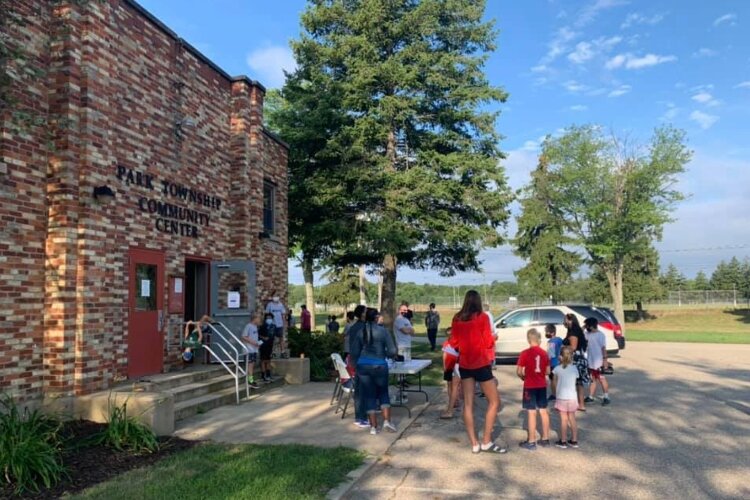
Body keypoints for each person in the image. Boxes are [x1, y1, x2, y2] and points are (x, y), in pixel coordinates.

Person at [448, 290, 506, 454]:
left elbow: (454, 342)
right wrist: (494, 338)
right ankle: (486, 440)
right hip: (481, 362)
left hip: (465, 364)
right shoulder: (482, 317)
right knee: (494, 402)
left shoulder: (457, 318)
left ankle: (474, 443)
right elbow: (488, 341)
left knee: (468, 404)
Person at [349, 307, 399, 435]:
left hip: (363, 367)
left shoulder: (361, 331)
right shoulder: (383, 332)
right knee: (383, 393)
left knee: (369, 395)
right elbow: (393, 351)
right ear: (376, 318)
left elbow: (354, 351)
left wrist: (355, 364)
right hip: (380, 366)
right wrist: (385, 354)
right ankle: (387, 421)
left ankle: (373, 427)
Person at [516, 328, 551, 450]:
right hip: (541, 384)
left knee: (531, 412)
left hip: (530, 385)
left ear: (528, 340)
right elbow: (547, 371)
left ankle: (531, 441)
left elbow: (519, 371)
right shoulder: (544, 353)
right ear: (539, 339)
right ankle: (545, 438)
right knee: (543, 410)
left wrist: (523, 377)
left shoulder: (525, 353)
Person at [346, 305, 368, 428]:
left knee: (361, 390)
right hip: (360, 361)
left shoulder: (357, 326)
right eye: (366, 311)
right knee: (361, 391)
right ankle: (361, 418)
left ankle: (363, 415)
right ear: (362, 314)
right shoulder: (361, 327)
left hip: (357, 360)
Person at [553, 346, 580, 448]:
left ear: (560, 357)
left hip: (562, 397)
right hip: (572, 397)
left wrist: (556, 392)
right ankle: (574, 440)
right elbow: (576, 380)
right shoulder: (574, 369)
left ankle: (563, 440)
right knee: (572, 418)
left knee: (563, 419)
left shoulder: (557, 369)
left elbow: (554, 382)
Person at [563, 313, 590, 411]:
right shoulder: (575, 329)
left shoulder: (573, 331)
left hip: (575, 359)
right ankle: (581, 404)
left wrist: (563, 349)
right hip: (580, 358)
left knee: (572, 382)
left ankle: (573, 404)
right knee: (579, 383)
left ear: (570, 320)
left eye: (565, 320)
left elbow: (573, 347)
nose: (564, 322)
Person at [583, 317, 611, 406]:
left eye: (587, 325)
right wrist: (584, 326)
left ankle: (606, 396)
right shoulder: (588, 334)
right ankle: (591, 396)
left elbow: (603, 348)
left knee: (602, 378)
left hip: (599, 360)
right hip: (591, 360)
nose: (586, 327)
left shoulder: (600, 335)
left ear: (591, 326)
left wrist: (605, 360)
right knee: (593, 379)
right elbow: (580, 331)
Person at [240, 313, 263, 389]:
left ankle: (251, 380)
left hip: (254, 349)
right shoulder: (248, 326)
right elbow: (243, 336)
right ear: (255, 318)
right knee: (250, 365)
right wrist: (253, 342)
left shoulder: (255, 326)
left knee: (252, 365)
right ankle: (250, 381)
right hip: (248, 349)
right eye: (259, 318)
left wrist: (257, 343)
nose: (260, 320)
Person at [440, 339, 461, 419]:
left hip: (457, 365)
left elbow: (445, 353)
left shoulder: (455, 341)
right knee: (452, 385)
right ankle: (453, 403)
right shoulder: (448, 342)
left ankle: (450, 411)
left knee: (454, 386)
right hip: (454, 365)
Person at [265, 293, 287, 358]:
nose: (276, 297)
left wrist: (284, 324)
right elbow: (267, 315)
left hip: (280, 325)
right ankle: (273, 352)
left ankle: (282, 352)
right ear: (272, 297)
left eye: (277, 296)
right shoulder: (270, 305)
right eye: (274, 296)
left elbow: (283, 315)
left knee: (281, 338)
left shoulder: (281, 305)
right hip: (272, 325)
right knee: (272, 339)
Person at [545, 323, 563, 400]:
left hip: (554, 363)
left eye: (547, 332)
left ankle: (555, 394)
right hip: (556, 362)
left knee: (553, 379)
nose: (546, 333)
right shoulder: (559, 340)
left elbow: (550, 354)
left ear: (552, 332)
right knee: (554, 379)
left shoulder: (551, 342)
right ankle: (556, 394)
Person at [258, 312, 275, 382]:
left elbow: (273, 336)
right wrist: (263, 338)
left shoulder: (273, 326)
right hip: (263, 345)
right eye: (267, 318)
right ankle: (263, 375)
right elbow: (258, 335)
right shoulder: (263, 326)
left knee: (268, 360)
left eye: (270, 318)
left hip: (270, 345)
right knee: (263, 361)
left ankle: (268, 374)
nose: (269, 319)